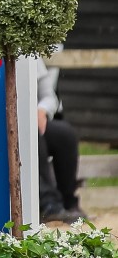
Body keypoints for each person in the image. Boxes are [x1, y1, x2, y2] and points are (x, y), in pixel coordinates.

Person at [34, 55, 87, 224]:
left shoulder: (27, 53)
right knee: (34, 135)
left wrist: (41, 111)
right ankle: (48, 205)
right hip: (6, 125)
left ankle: (68, 201)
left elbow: (49, 96)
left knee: (65, 135)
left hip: (35, 118)